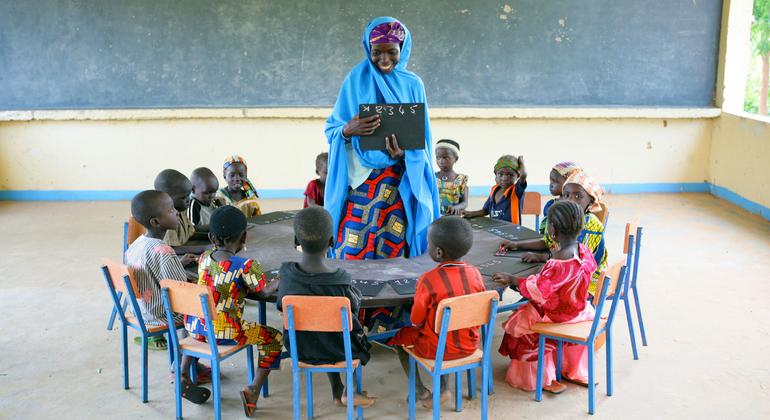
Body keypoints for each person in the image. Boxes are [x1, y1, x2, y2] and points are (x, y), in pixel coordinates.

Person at [324, 17, 439, 260]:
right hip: (360, 184)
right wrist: (347, 130)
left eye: (392, 52)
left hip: (398, 184)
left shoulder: (413, 85)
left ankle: (391, 299)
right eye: (377, 52)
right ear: (368, 49)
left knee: (394, 252)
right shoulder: (355, 80)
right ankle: (351, 298)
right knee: (350, 248)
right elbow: (332, 130)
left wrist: (405, 154)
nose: (384, 59)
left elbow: (423, 141)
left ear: (403, 49)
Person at [183, 205, 282, 417]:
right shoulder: (245, 265)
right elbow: (264, 293)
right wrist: (278, 281)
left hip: (196, 327)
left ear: (211, 236)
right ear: (244, 236)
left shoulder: (204, 258)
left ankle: (182, 373)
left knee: (196, 320)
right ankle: (253, 389)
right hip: (226, 333)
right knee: (273, 337)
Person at [493, 200, 597, 393]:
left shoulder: (557, 262)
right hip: (580, 310)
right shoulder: (584, 251)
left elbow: (539, 292)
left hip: (558, 315)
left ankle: (537, 377)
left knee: (519, 320)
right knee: (525, 311)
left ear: (553, 230)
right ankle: (569, 367)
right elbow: (570, 275)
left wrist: (513, 279)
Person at [276, 206, 376, 408]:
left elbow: (280, 305)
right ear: (332, 241)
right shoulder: (341, 279)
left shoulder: (286, 273)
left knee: (324, 328)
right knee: (347, 332)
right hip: (340, 350)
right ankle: (349, 390)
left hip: (301, 348)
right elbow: (353, 309)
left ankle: (338, 389)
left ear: (296, 241)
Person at [388, 216, 486, 407]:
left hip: (438, 350)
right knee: (447, 330)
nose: (427, 245)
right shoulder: (475, 274)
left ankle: (420, 391)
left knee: (399, 337)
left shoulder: (428, 280)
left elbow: (416, 319)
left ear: (438, 252)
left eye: (428, 243)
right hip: (470, 345)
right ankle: (443, 389)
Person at [125, 190, 211, 399]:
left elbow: (153, 270)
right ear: (156, 221)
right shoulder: (164, 250)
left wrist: (177, 265)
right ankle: (181, 370)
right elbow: (181, 291)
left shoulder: (137, 244)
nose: (176, 214)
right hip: (162, 314)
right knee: (203, 314)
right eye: (171, 211)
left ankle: (190, 364)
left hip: (141, 310)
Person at [499, 171, 608, 295]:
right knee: (537, 276)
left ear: (590, 201)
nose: (571, 200)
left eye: (578, 196)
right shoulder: (564, 216)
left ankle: (538, 299)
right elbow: (548, 241)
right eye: (566, 195)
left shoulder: (591, 225)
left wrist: (540, 258)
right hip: (567, 272)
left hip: (585, 283)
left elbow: (575, 262)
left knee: (538, 280)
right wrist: (517, 245)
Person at [154, 169, 208, 255]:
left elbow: (190, 234)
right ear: (166, 197)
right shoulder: (167, 219)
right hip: (171, 259)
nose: (189, 200)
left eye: (189, 195)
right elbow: (171, 249)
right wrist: (204, 248)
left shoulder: (181, 210)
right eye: (183, 197)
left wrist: (211, 237)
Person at [462, 155, 528, 223]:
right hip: (494, 228)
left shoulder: (516, 191)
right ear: (495, 175)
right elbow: (486, 210)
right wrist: (471, 213)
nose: (504, 178)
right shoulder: (494, 190)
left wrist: (521, 163)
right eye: (500, 174)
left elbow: (524, 175)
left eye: (510, 175)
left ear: (517, 176)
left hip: (512, 231)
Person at [541, 161, 582, 233]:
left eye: (555, 181)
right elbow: (544, 232)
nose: (551, 185)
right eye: (550, 181)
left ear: (569, 181)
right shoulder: (550, 205)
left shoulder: (576, 207)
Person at [434, 139, 469, 215]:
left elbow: (465, 203)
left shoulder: (461, 180)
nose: (441, 161)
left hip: (453, 218)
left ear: (456, 159)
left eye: (445, 158)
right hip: (435, 218)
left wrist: (457, 207)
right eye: (438, 157)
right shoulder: (433, 177)